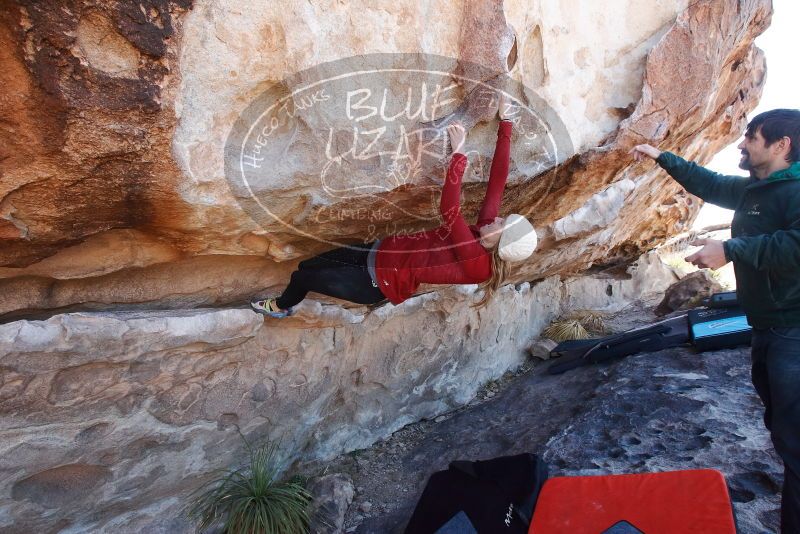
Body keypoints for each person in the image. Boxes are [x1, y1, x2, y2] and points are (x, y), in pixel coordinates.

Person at [631, 108, 800, 533]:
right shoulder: (756, 191)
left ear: (783, 145)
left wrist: (730, 250)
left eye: (752, 137)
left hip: (794, 333)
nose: (742, 144)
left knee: (796, 440)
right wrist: (660, 156)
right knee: (782, 430)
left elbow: (795, 245)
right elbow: (709, 184)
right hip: (767, 329)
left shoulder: (795, 192)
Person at [251, 96, 538, 318]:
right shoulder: (486, 235)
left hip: (373, 283)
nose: (497, 217)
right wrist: (507, 122)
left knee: (303, 277)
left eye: (502, 223)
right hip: (377, 251)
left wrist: (459, 153)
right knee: (306, 265)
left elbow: (449, 210)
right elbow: (497, 182)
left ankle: (280, 307)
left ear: (499, 240)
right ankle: (289, 298)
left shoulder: (477, 260)